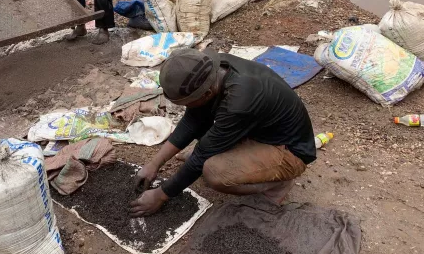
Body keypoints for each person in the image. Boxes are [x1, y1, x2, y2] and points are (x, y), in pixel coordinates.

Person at [130, 48, 317, 217]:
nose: (186, 107)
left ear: (206, 92)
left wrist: (160, 195)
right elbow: (192, 120)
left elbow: (201, 156)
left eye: (187, 102)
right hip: (257, 131)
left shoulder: (239, 101)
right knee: (204, 136)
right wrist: (154, 164)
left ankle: (277, 184)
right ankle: (242, 156)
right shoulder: (212, 69)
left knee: (214, 172)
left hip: (289, 151)